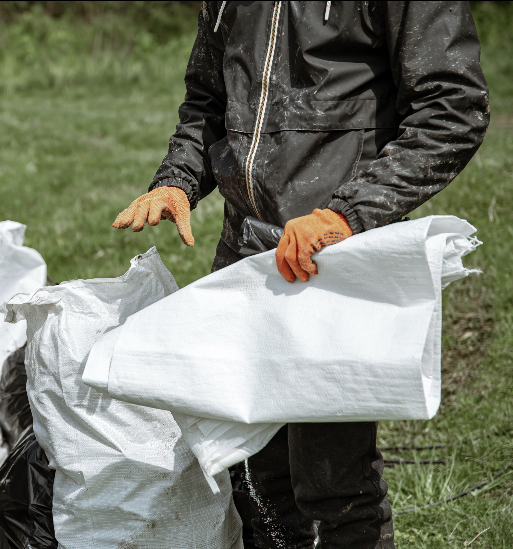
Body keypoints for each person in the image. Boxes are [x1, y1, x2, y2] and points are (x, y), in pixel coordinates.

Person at [112, 2, 489, 548]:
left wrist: (348, 213)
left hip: (335, 258)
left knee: (331, 486)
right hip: (247, 256)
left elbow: (452, 109)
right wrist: (178, 179)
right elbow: (207, 102)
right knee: (252, 478)